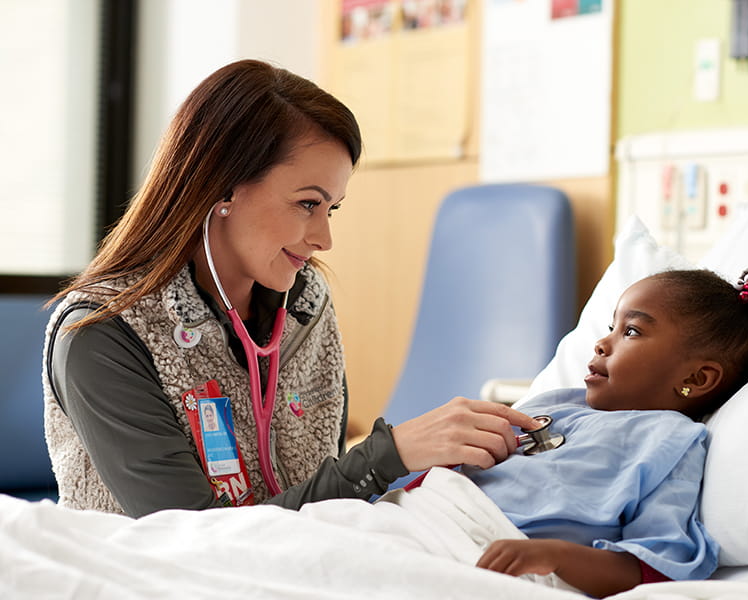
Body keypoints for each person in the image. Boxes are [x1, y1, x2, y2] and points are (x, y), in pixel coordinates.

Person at [42, 59, 538, 517]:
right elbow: (190, 539)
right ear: (223, 187)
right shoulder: (101, 335)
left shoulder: (306, 306)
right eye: (307, 204)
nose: (324, 238)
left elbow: (317, 497)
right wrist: (387, 456)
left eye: (332, 208)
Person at [460, 265, 748, 598]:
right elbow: (459, 466)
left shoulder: (669, 442)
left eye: (631, 332)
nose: (600, 344)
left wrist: (554, 556)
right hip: (434, 512)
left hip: (493, 555)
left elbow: (655, 566)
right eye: (612, 327)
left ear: (695, 379)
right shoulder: (555, 403)